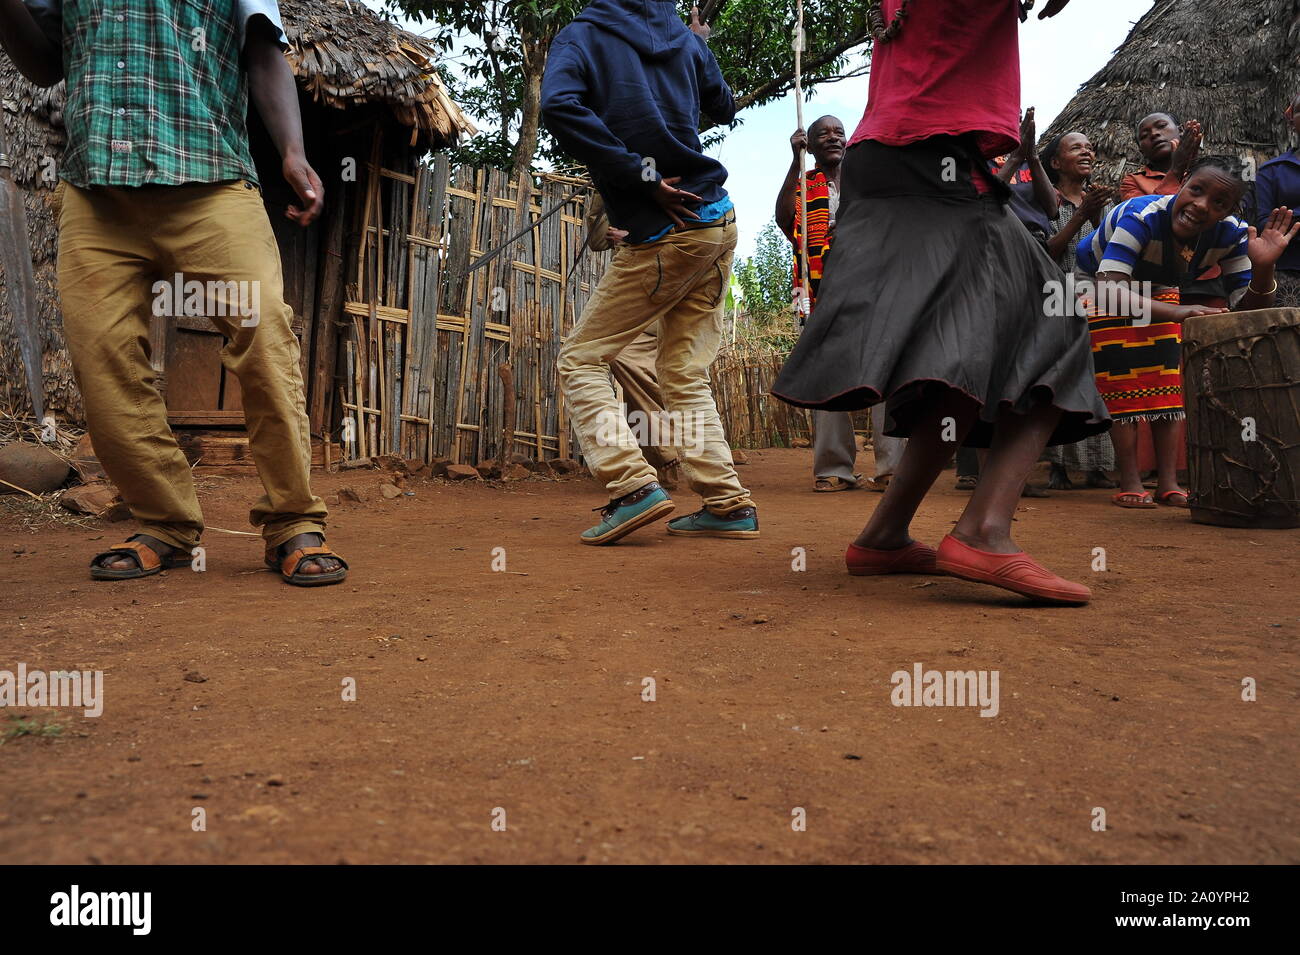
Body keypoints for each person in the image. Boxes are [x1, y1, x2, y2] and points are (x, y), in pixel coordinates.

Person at [772, 0, 1109, 606]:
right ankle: (982, 531)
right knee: (1056, 321)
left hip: (899, 155)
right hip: (935, 158)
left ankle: (883, 536)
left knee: (959, 358)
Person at [1, 0, 347, 585]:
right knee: (103, 360)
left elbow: (264, 51)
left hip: (212, 179)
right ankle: (164, 522)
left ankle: (293, 519)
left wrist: (292, 151)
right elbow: (43, 62)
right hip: (96, 188)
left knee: (263, 329)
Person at [541, 1, 757, 545]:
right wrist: (696, 43)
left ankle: (632, 487)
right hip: (717, 221)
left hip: (666, 229)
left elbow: (559, 107)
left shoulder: (581, 35)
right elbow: (725, 106)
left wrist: (640, 176)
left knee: (582, 358)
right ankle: (727, 504)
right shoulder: (683, 40)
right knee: (683, 370)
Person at [1075, 157, 1298, 508]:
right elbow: (1109, 292)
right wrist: (1179, 312)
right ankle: (1129, 479)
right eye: (1196, 190)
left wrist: (1264, 269)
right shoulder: (1141, 217)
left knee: (1166, 383)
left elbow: (1244, 313)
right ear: (1182, 184)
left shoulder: (1233, 235)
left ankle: (1169, 482)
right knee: (1122, 379)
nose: (1201, 206)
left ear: (1230, 211)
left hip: (1161, 282)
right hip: (1100, 281)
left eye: (1219, 203)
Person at [775, 115, 903, 493]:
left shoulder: (870, 182)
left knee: (884, 374)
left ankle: (891, 468)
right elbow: (786, 221)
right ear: (810, 146)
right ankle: (834, 468)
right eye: (821, 135)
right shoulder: (804, 183)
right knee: (828, 376)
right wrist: (792, 160)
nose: (832, 138)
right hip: (821, 293)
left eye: (838, 133)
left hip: (874, 288)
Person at [584, 194, 682, 490]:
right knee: (632, 372)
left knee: (662, 375)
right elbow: (598, 241)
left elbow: (691, 235)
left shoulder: (674, 184)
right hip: (631, 298)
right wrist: (602, 191)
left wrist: (636, 235)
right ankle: (664, 460)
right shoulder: (620, 190)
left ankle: (671, 454)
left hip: (666, 295)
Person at [1039, 131, 1119, 490]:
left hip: (1093, 298)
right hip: (1055, 297)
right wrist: (1081, 215)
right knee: (1063, 379)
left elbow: (1111, 252)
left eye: (1090, 146)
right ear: (1055, 163)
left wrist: (1098, 213)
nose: (1088, 150)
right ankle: (1057, 466)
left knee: (1097, 379)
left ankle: (1097, 466)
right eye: (1076, 147)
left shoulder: (1099, 200)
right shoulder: (1045, 202)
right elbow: (1044, 253)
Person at [1254, 92, 1300, 307]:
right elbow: (1265, 224)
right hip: (1288, 274)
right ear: (1292, 121)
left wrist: (1292, 219)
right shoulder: (1272, 171)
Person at [1119, 113, 1202, 200]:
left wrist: (1193, 170)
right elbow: (1144, 212)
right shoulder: (1132, 182)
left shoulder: (1206, 172)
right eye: (1144, 135)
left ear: (1181, 130)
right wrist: (1176, 170)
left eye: (1161, 126)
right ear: (1141, 150)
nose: (1154, 134)